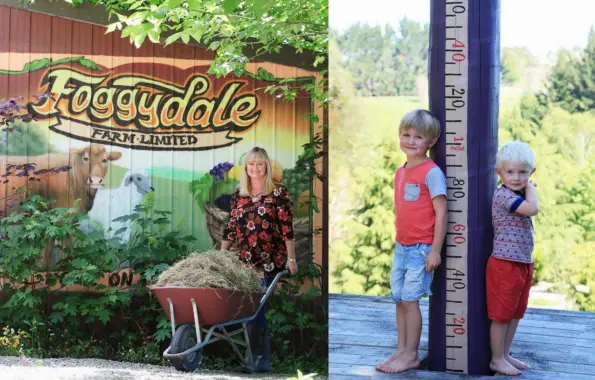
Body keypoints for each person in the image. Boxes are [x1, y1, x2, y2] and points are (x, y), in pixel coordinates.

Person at [377, 109, 447, 374]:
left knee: (410, 300)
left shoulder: (432, 173)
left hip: (421, 249)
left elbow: (442, 212)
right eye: (406, 135)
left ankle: (411, 355)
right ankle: (401, 348)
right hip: (402, 245)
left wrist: (435, 251)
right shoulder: (401, 171)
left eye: (418, 137)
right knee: (398, 299)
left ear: (431, 140)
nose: (410, 141)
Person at [221, 146, 298, 373]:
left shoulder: (278, 193)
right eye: (251, 164)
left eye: (260, 164)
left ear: (266, 167)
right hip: (245, 260)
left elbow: (287, 229)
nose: (255, 168)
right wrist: (220, 255)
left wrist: (291, 259)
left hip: (269, 260)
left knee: (255, 308)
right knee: (248, 310)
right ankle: (254, 359)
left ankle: (259, 360)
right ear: (246, 167)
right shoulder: (239, 196)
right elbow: (231, 229)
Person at [487, 141, 538, 376]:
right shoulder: (503, 195)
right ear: (499, 173)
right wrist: (532, 188)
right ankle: (496, 359)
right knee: (502, 314)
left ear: (531, 172)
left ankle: (506, 353)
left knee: (517, 312)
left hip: (523, 262)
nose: (516, 177)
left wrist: (528, 189)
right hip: (504, 264)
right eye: (510, 172)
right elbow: (532, 209)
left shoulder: (518, 193)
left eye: (522, 172)